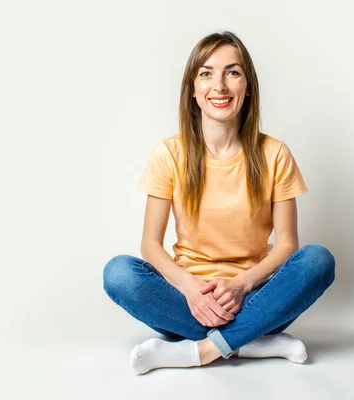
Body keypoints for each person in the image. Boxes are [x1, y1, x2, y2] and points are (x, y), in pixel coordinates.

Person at [102, 31, 335, 375]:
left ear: (248, 87)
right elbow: (150, 245)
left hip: (256, 297)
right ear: (192, 90)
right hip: (187, 303)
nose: (220, 85)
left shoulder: (275, 154)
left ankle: (201, 350)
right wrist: (193, 290)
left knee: (318, 260)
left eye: (233, 72)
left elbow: (287, 244)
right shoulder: (169, 153)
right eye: (206, 73)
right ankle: (252, 342)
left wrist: (241, 285)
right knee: (118, 273)